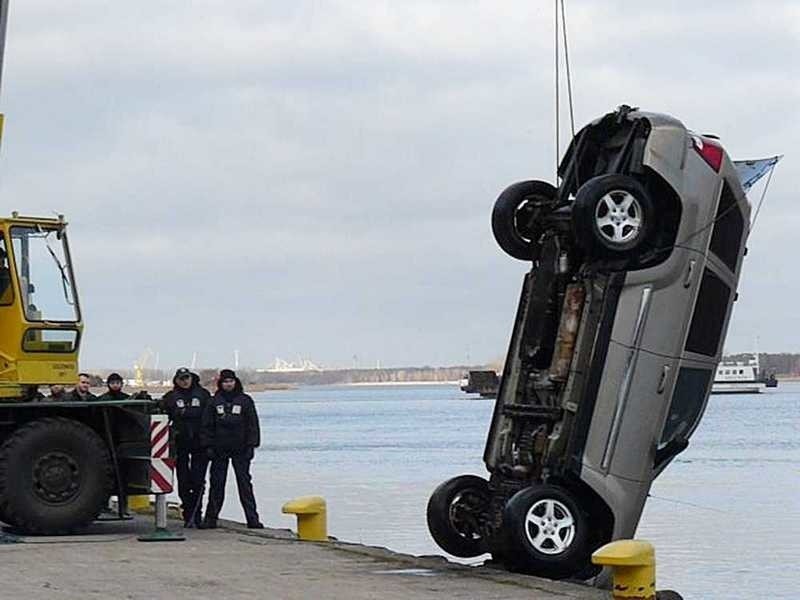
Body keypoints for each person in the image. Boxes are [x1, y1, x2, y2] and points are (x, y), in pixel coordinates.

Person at [200, 369, 262, 529]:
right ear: (221, 384)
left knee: (245, 484)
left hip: (240, 449)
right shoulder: (214, 402)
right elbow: (207, 426)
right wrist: (208, 445)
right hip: (219, 449)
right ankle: (211, 518)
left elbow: (252, 425)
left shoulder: (245, 400)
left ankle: (252, 519)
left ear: (236, 382)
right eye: (225, 382)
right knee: (217, 484)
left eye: (231, 381)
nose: (228, 384)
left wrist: (252, 445)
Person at [160, 367, 211, 527]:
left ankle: (196, 515)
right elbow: (161, 415)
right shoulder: (170, 397)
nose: (184, 381)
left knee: (197, 481)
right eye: (181, 378)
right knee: (183, 481)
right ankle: (187, 512)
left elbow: (211, 419)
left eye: (187, 378)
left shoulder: (203, 395)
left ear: (191, 378)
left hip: (199, 444)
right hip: (180, 443)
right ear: (176, 380)